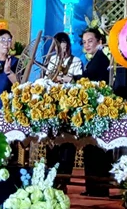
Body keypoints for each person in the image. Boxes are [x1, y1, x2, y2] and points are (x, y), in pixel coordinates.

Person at [45, 32, 84, 191]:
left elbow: (79, 82)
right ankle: (51, 178)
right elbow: (47, 80)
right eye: (59, 48)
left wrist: (67, 79)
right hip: (53, 107)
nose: (63, 51)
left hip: (70, 107)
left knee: (68, 143)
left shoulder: (76, 61)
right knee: (52, 142)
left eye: (65, 47)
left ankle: (64, 180)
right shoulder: (52, 60)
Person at [80, 28, 112, 198]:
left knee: (97, 149)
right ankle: (93, 187)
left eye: (90, 41)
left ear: (100, 42)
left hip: (99, 110)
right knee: (91, 148)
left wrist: (74, 79)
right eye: (84, 42)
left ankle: (98, 188)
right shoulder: (94, 59)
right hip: (91, 110)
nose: (87, 45)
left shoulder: (101, 59)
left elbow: (90, 79)